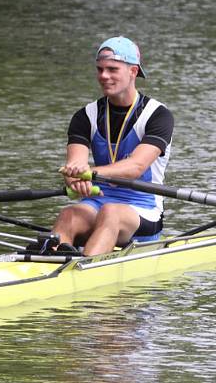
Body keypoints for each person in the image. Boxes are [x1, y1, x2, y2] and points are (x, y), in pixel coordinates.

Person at [53, 36, 174, 256]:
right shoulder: (85, 116)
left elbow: (136, 167)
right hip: (98, 200)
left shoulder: (157, 115)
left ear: (133, 72)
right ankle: (46, 265)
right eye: (100, 69)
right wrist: (75, 179)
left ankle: (85, 270)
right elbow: (75, 164)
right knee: (68, 215)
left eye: (112, 69)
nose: (104, 76)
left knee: (111, 213)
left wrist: (89, 173)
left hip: (143, 208)